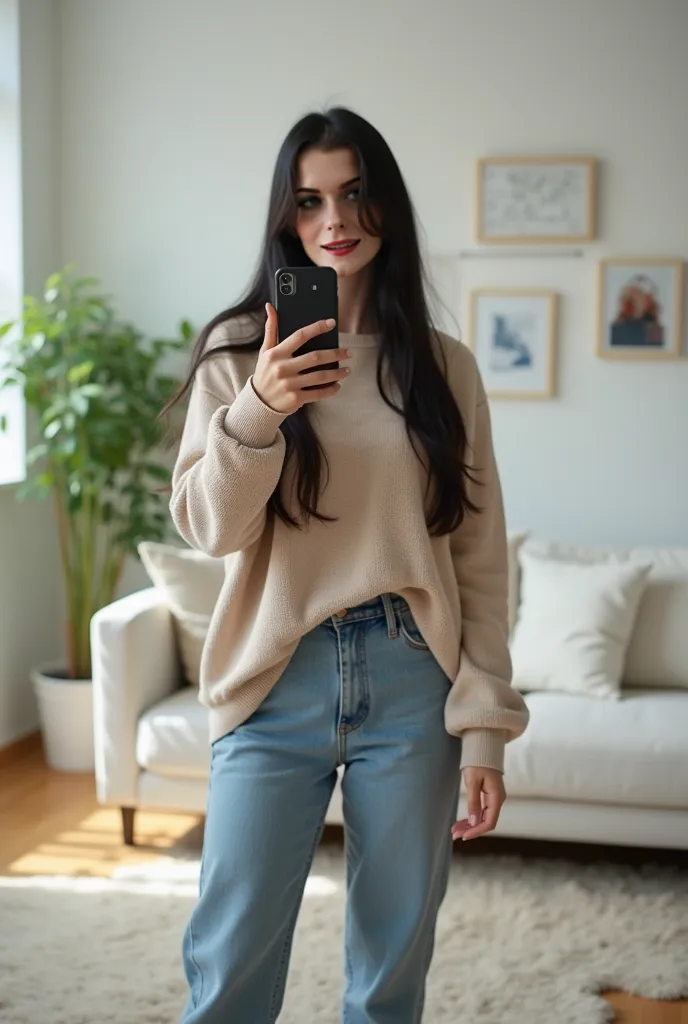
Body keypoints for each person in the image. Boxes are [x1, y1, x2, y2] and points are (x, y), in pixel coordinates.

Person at [161, 106, 530, 1024]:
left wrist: (484, 725)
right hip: (272, 676)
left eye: (356, 194)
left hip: (414, 683)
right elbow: (209, 528)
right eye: (311, 200)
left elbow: (480, 559)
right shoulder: (237, 356)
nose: (336, 221)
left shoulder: (445, 369)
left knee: (390, 969)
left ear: (387, 207)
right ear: (286, 219)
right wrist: (259, 407)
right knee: (231, 961)